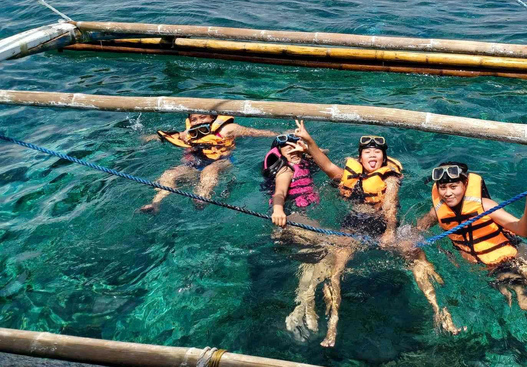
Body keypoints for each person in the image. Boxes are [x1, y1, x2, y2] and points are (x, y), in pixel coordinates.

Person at [293, 120, 461, 347]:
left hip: (382, 226)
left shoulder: (390, 179)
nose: (373, 155)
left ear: (384, 158)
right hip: (352, 226)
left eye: (377, 152)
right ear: (360, 157)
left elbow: (390, 205)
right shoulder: (348, 175)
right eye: (368, 152)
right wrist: (309, 141)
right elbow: (325, 164)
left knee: (417, 256)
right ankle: (333, 323)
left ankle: (439, 310)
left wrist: (390, 233)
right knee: (335, 269)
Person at [412, 162, 527, 360]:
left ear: (465, 184)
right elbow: (416, 233)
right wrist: (417, 249)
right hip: (494, 271)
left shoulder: (485, 206)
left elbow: (523, 231)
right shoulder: (438, 211)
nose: (448, 193)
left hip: (518, 260)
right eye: (443, 187)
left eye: (453, 186)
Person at [139, 113, 276, 213]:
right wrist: (149, 138)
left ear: (212, 118)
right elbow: (168, 136)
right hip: (194, 165)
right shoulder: (188, 133)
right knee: (170, 174)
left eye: (203, 117)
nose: (198, 121)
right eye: (194, 119)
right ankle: (155, 203)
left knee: (209, 171)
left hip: (222, 161)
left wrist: (279, 134)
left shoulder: (227, 129)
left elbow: (255, 132)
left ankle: (202, 197)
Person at [262, 133, 327, 340]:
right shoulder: (285, 169)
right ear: (279, 154)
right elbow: (279, 193)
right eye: (287, 149)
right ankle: (303, 304)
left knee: (317, 258)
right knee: (324, 249)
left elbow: (324, 155)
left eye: (295, 147)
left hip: (304, 220)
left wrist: (306, 149)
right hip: (292, 219)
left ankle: (303, 305)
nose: (293, 151)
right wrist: (278, 211)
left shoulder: (304, 163)